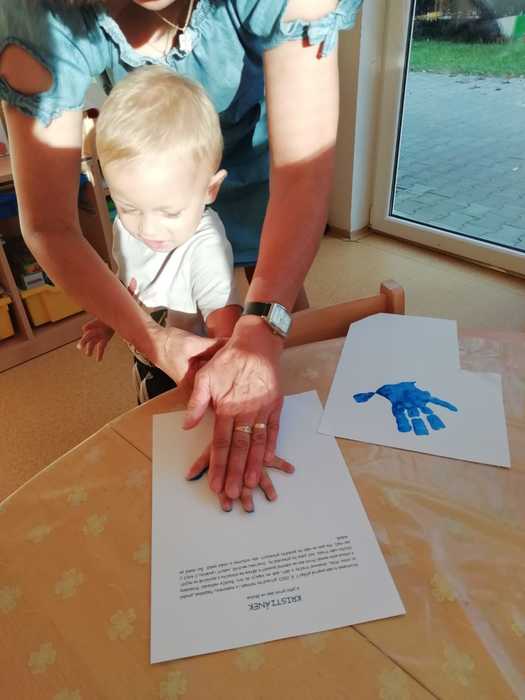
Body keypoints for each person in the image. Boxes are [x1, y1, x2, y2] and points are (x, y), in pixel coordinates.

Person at [0, 0, 363, 506]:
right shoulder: (137, 216)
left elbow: (230, 327)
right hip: (165, 169)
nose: (148, 230)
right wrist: (135, 330)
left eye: (164, 215)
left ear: (210, 190)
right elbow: (60, 232)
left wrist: (252, 347)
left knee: (279, 314)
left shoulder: (202, 245)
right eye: (127, 207)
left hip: (243, 169)